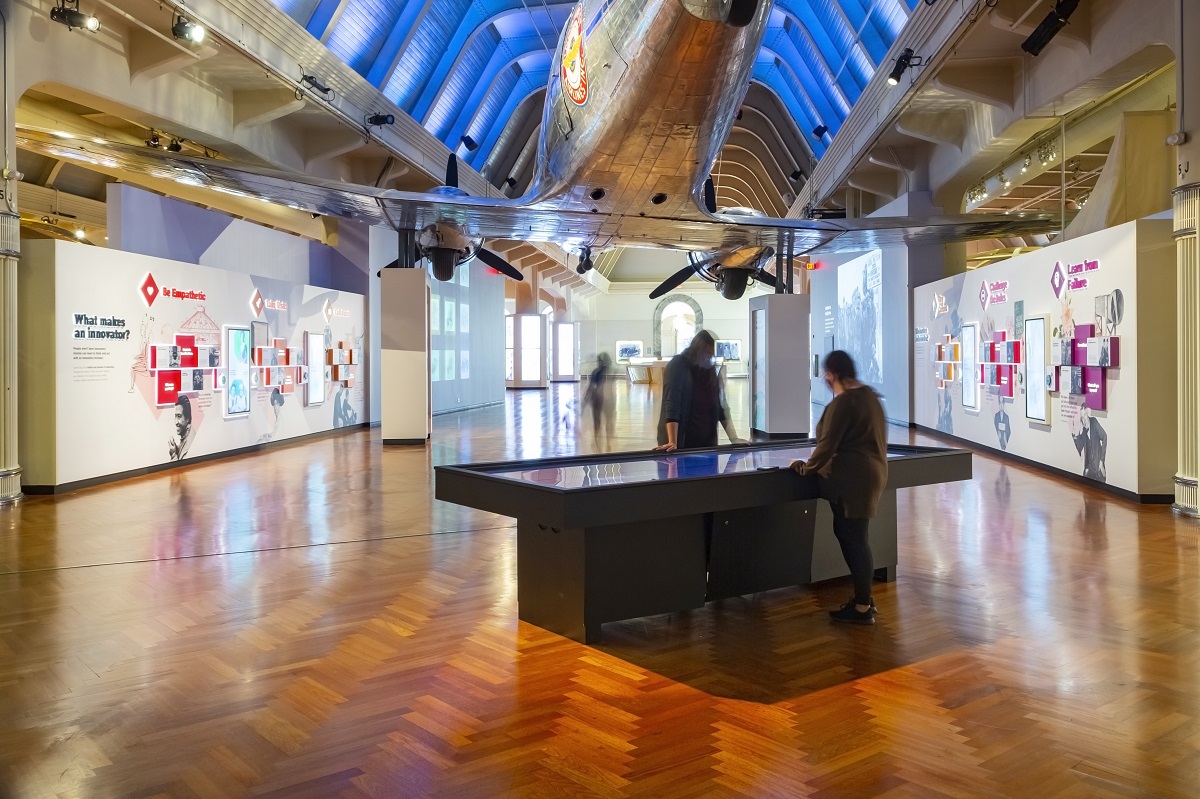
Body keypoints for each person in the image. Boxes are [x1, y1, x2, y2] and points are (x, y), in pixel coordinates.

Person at [790, 350, 888, 625]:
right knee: (856, 537)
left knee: (854, 540)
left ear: (831, 373)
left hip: (853, 480)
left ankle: (862, 606)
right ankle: (864, 598)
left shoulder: (845, 402)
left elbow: (827, 445)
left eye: (825, 373)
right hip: (870, 476)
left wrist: (804, 468)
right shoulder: (869, 396)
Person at [654, 330, 742, 451]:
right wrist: (672, 441)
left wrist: (734, 439)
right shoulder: (678, 365)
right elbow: (673, 403)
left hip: (707, 443)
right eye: (707, 352)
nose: (709, 356)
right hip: (683, 442)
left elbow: (720, 407)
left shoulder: (709, 370)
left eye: (711, 354)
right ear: (699, 349)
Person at [583, 352, 615, 450]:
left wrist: (585, 400)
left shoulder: (596, 372)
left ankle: (596, 441)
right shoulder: (611, 372)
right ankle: (608, 442)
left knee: (597, 421)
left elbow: (591, 387)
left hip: (597, 399)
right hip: (609, 399)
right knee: (609, 421)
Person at [169, 394, 195, 461]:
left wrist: (174, 454)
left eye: (179, 416)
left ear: (187, 418)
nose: (176, 422)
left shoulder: (190, 443)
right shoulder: (187, 435)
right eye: (175, 416)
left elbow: (181, 469)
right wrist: (177, 449)